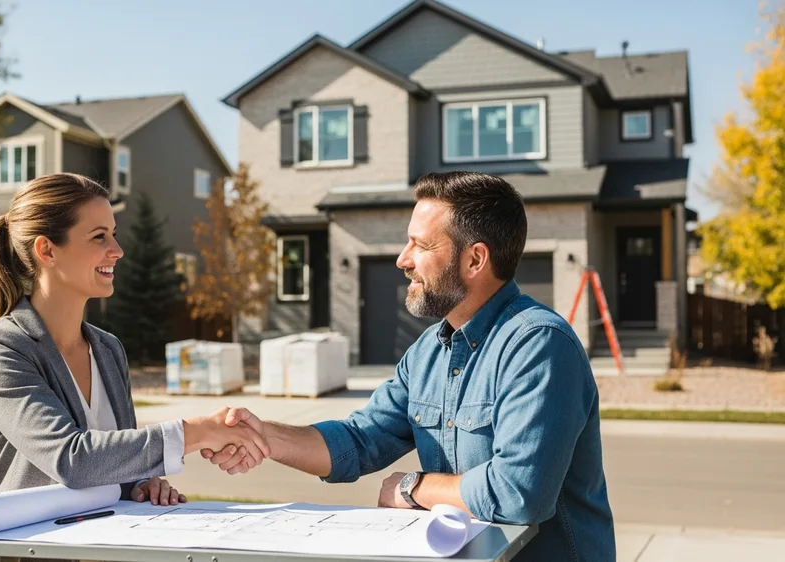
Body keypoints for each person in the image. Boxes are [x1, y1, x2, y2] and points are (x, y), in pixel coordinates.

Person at [203, 171, 616, 561]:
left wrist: (413, 486)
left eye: (421, 245)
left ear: (475, 260)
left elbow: (518, 494)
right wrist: (262, 435)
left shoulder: (538, 345)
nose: (404, 259)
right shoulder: (428, 352)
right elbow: (359, 441)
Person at [0, 173, 268, 562]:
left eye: (114, 234)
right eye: (99, 237)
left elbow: (113, 465)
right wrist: (198, 431)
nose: (117, 250)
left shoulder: (107, 349)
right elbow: (72, 460)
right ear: (47, 250)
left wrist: (140, 484)